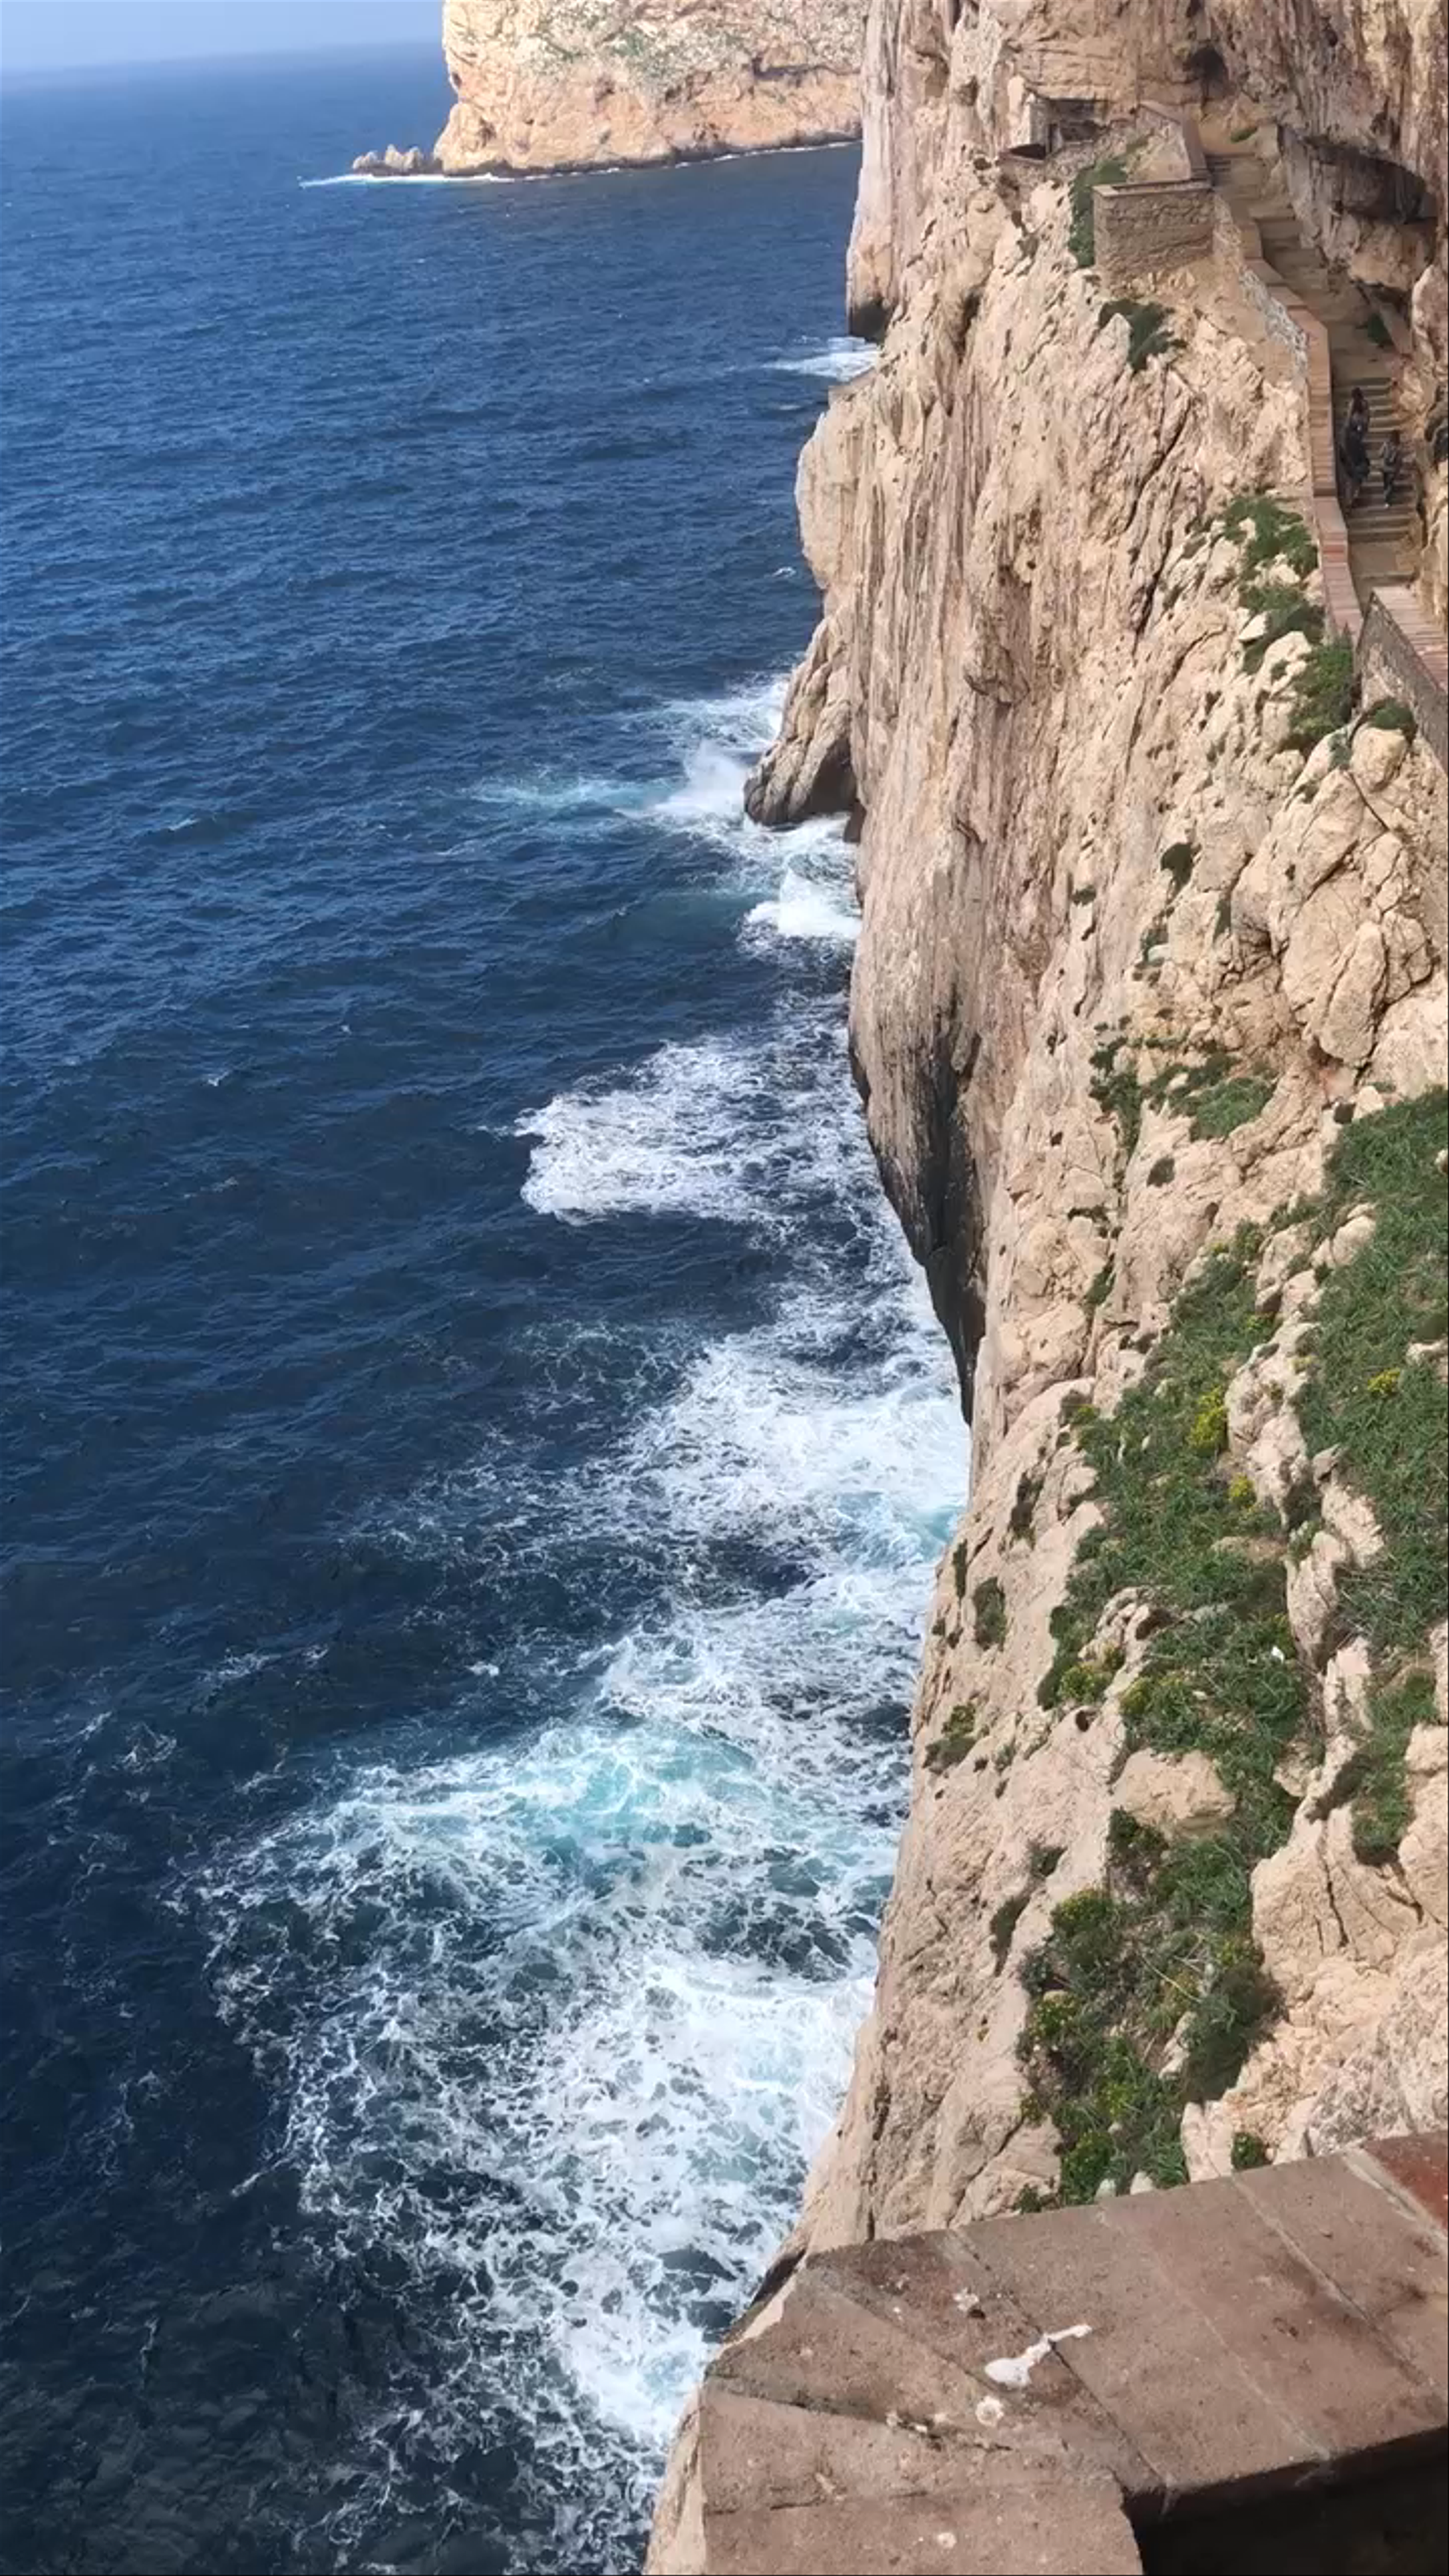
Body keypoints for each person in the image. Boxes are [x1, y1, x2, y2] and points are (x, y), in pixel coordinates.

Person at [1339, 412, 1370, 506]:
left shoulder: (1347, 435)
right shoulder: (1355, 438)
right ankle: (1352, 500)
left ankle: (1351, 500)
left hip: (1351, 463)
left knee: (1352, 482)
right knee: (1353, 481)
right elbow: (1361, 452)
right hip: (1354, 463)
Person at [1381, 428, 1404, 503]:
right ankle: (1387, 499)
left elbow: (1380, 454)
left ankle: (1387, 497)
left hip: (1384, 467)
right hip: (1393, 469)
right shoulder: (1399, 447)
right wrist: (1399, 469)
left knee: (1386, 483)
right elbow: (1400, 460)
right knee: (1390, 484)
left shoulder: (1386, 444)